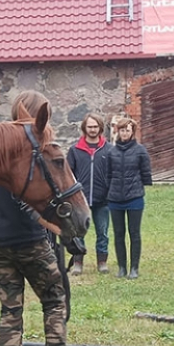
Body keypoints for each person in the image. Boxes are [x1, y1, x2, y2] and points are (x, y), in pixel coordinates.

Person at [0, 90, 88, 346]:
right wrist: (59, 229)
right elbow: (28, 204)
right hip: (29, 239)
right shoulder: (30, 151)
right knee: (55, 299)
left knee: (10, 311)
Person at [103, 116, 152, 279]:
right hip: (115, 199)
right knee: (118, 233)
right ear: (118, 132)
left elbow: (146, 173)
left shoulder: (140, 150)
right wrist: (110, 191)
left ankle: (134, 268)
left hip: (134, 198)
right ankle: (122, 267)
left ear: (133, 132)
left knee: (134, 233)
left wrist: (139, 187)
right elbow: (108, 175)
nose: (124, 133)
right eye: (122, 130)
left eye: (127, 130)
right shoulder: (111, 152)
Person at [64, 113, 112, 275]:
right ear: (85, 128)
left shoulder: (109, 149)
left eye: (95, 126)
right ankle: (78, 263)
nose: (92, 129)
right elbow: (68, 175)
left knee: (103, 233)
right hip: (79, 200)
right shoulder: (75, 150)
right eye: (90, 127)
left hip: (102, 199)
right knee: (78, 232)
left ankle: (102, 262)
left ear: (100, 128)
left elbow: (113, 173)